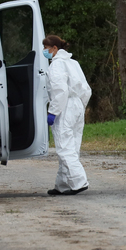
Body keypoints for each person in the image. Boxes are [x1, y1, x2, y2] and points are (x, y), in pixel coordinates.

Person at [44, 35, 92, 196]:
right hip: (77, 104)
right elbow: (86, 89)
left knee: (64, 147)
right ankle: (63, 184)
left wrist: (53, 112)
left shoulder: (56, 65)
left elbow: (60, 91)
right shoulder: (73, 63)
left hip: (65, 106)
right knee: (72, 147)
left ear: (55, 49)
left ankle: (79, 181)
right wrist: (81, 106)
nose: (45, 51)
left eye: (46, 48)